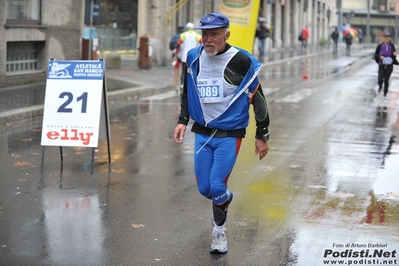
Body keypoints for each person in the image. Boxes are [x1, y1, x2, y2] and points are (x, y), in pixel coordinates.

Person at [173, 12, 270, 254]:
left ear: (227, 34)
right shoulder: (194, 57)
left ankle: (219, 234)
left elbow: (259, 100)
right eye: (205, 34)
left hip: (230, 134)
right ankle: (224, 198)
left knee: (216, 185)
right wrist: (183, 120)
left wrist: (262, 135)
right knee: (205, 190)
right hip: (204, 133)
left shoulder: (240, 61)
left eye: (214, 34)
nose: (208, 39)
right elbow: (188, 92)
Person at [174, 22, 202, 92]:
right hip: (194, 56)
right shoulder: (197, 36)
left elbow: (178, 45)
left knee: (184, 71)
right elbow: (202, 43)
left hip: (184, 56)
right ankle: (193, 85)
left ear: (186, 28)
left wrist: (176, 54)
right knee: (193, 70)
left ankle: (182, 84)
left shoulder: (183, 35)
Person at [373, 31, 399, 99]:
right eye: (386, 37)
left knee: (386, 80)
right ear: (384, 38)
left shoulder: (392, 46)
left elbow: (394, 55)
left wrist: (394, 55)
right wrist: (380, 57)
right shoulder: (380, 46)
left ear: (390, 38)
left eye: (388, 37)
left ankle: (385, 93)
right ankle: (380, 87)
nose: (387, 38)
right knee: (380, 78)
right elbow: (376, 54)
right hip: (381, 64)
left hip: (389, 65)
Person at [170, 26, 185, 92]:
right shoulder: (184, 36)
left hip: (175, 55)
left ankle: (176, 87)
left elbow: (170, 46)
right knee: (184, 72)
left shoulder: (174, 37)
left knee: (176, 72)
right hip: (184, 55)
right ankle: (183, 85)